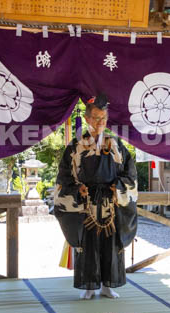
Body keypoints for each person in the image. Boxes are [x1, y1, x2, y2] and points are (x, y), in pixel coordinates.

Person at [54, 94, 138, 300]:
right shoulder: (75, 146)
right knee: (88, 245)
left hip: (111, 203)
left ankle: (108, 286)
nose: (100, 122)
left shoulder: (116, 144)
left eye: (104, 118)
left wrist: (119, 186)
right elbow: (64, 177)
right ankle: (89, 286)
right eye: (96, 118)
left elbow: (130, 173)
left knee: (111, 245)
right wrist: (77, 189)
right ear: (87, 118)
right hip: (86, 204)